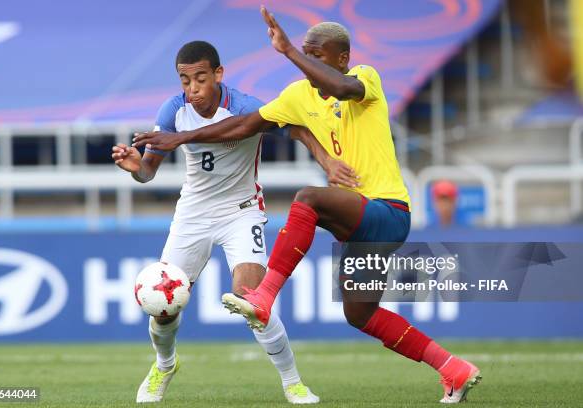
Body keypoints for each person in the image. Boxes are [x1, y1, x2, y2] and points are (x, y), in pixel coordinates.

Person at [133, 8, 481, 404]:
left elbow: (344, 89)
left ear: (342, 59)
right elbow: (243, 126)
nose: (311, 67)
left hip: (387, 211)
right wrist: (180, 139)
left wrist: (288, 52)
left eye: (319, 58)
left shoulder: (365, 78)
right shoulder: (298, 96)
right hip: (357, 223)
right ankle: (452, 368)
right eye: (307, 56)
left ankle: (264, 298)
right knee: (361, 313)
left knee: (308, 199)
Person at [112, 40, 342, 404]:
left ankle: (292, 382)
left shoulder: (247, 107)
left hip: (241, 209)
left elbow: (295, 129)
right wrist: (135, 167)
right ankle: (164, 364)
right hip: (193, 214)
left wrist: (328, 163)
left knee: (252, 301)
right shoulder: (174, 110)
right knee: (164, 303)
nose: (193, 89)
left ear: (218, 74)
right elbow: (148, 172)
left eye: (200, 78)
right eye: (185, 81)